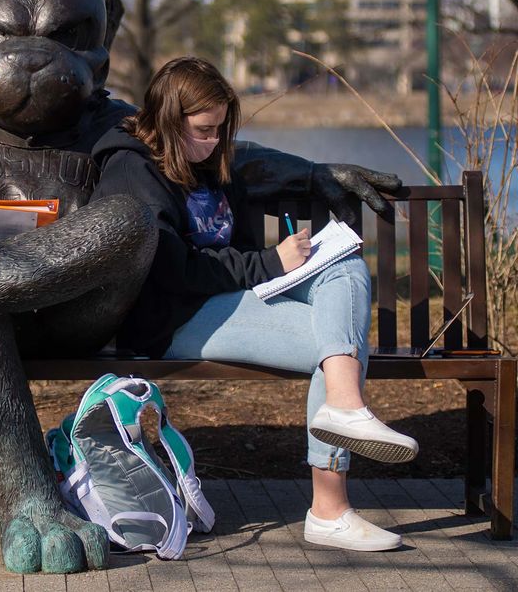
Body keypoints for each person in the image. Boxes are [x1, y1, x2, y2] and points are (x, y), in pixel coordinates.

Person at [90, 56, 418, 552]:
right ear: (166, 119)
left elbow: (234, 248)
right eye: (204, 130)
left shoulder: (209, 163)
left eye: (221, 130)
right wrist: (270, 263)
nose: (215, 142)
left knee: (345, 265)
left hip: (230, 297)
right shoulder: (130, 168)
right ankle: (330, 507)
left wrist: (286, 262)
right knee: (340, 350)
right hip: (171, 317)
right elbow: (168, 270)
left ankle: (346, 411)